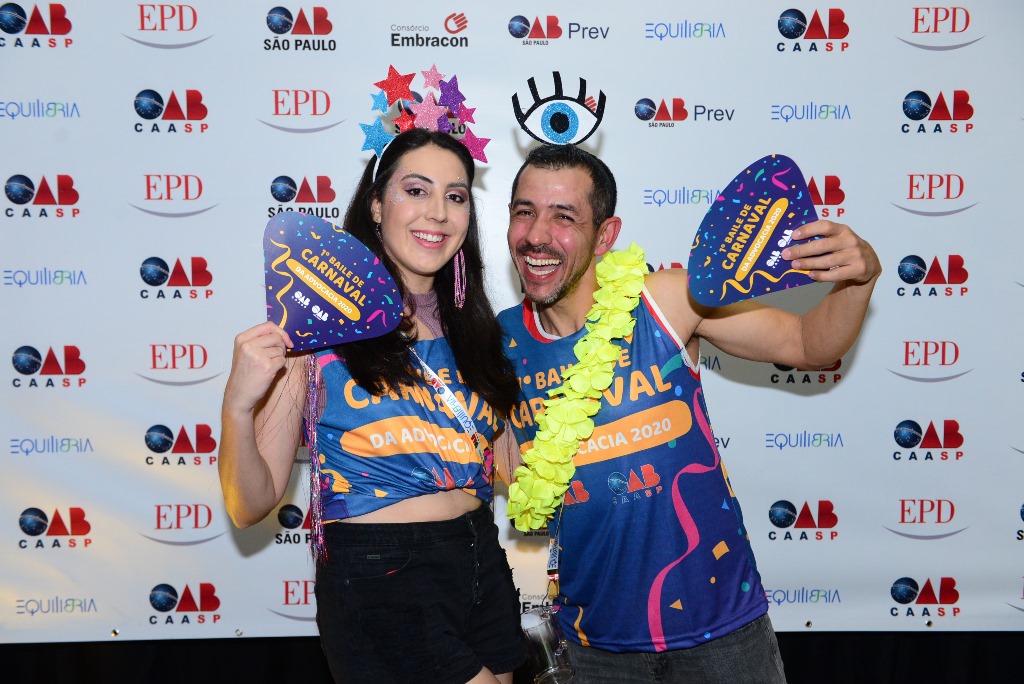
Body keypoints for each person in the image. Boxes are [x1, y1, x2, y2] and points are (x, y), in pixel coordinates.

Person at [497, 143, 881, 683]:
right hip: (594, 646)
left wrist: (859, 280)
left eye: (564, 216)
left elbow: (808, 343)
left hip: (723, 637)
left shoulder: (665, 300)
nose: (537, 234)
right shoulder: (495, 348)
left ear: (605, 236)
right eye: (524, 211)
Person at [218, 128, 527, 684]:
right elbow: (249, 505)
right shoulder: (315, 325)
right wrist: (238, 407)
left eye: (456, 196)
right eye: (416, 190)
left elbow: (513, 466)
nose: (438, 213)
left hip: (480, 555)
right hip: (382, 574)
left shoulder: (476, 329)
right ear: (377, 204)